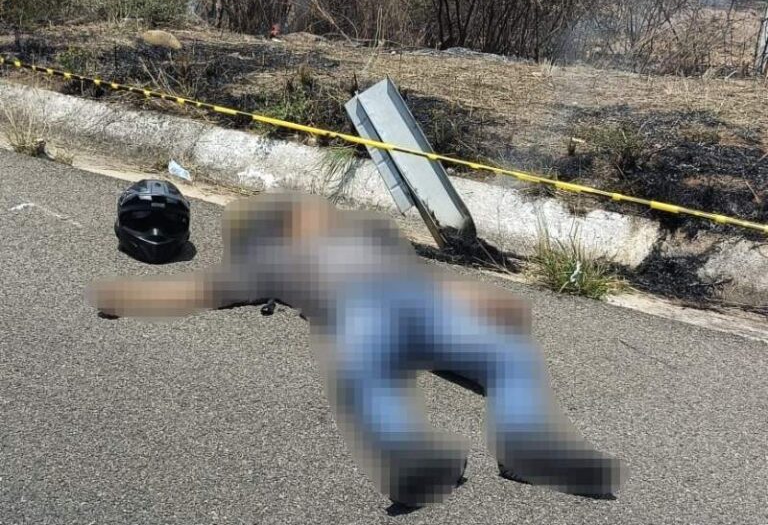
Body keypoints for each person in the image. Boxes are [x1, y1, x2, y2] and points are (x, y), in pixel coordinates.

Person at [88, 190, 621, 507]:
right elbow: (202, 291)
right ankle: (413, 456)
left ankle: (524, 445)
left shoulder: (366, 240)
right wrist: (129, 298)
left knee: (509, 351)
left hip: (425, 308)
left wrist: (482, 301)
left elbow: (427, 284)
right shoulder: (271, 263)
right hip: (359, 310)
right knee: (365, 373)